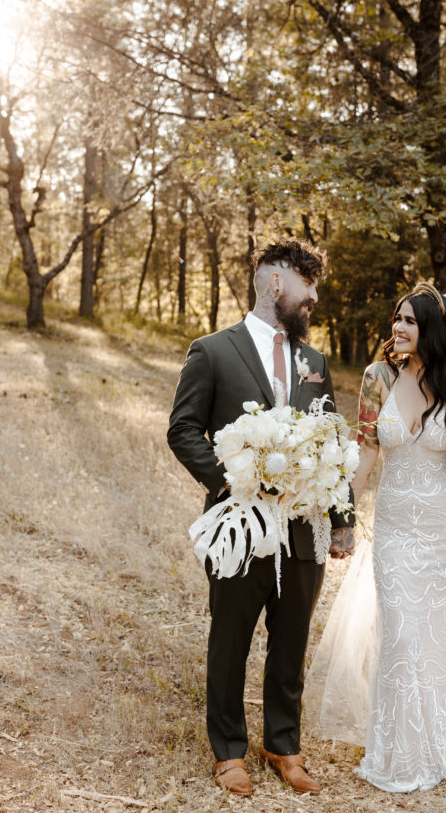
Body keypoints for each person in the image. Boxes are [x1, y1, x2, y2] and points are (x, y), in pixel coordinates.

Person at [167, 237, 355, 798]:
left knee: (291, 638)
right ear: (278, 282)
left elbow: (331, 440)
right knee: (230, 638)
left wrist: (341, 516)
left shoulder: (315, 361)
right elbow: (182, 430)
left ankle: (283, 744)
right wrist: (230, 480)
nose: (314, 296)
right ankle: (228, 751)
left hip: (302, 527)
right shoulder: (213, 351)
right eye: (308, 284)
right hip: (240, 523)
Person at [306, 281, 446, 792]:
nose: (399, 327)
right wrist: (344, 517)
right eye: (397, 318)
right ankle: (397, 752)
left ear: (430, 327)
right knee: (402, 638)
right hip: (392, 531)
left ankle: (443, 744)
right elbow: (364, 452)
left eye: (410, 320)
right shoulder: (377, 377)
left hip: (442, 532)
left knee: (439, 641)